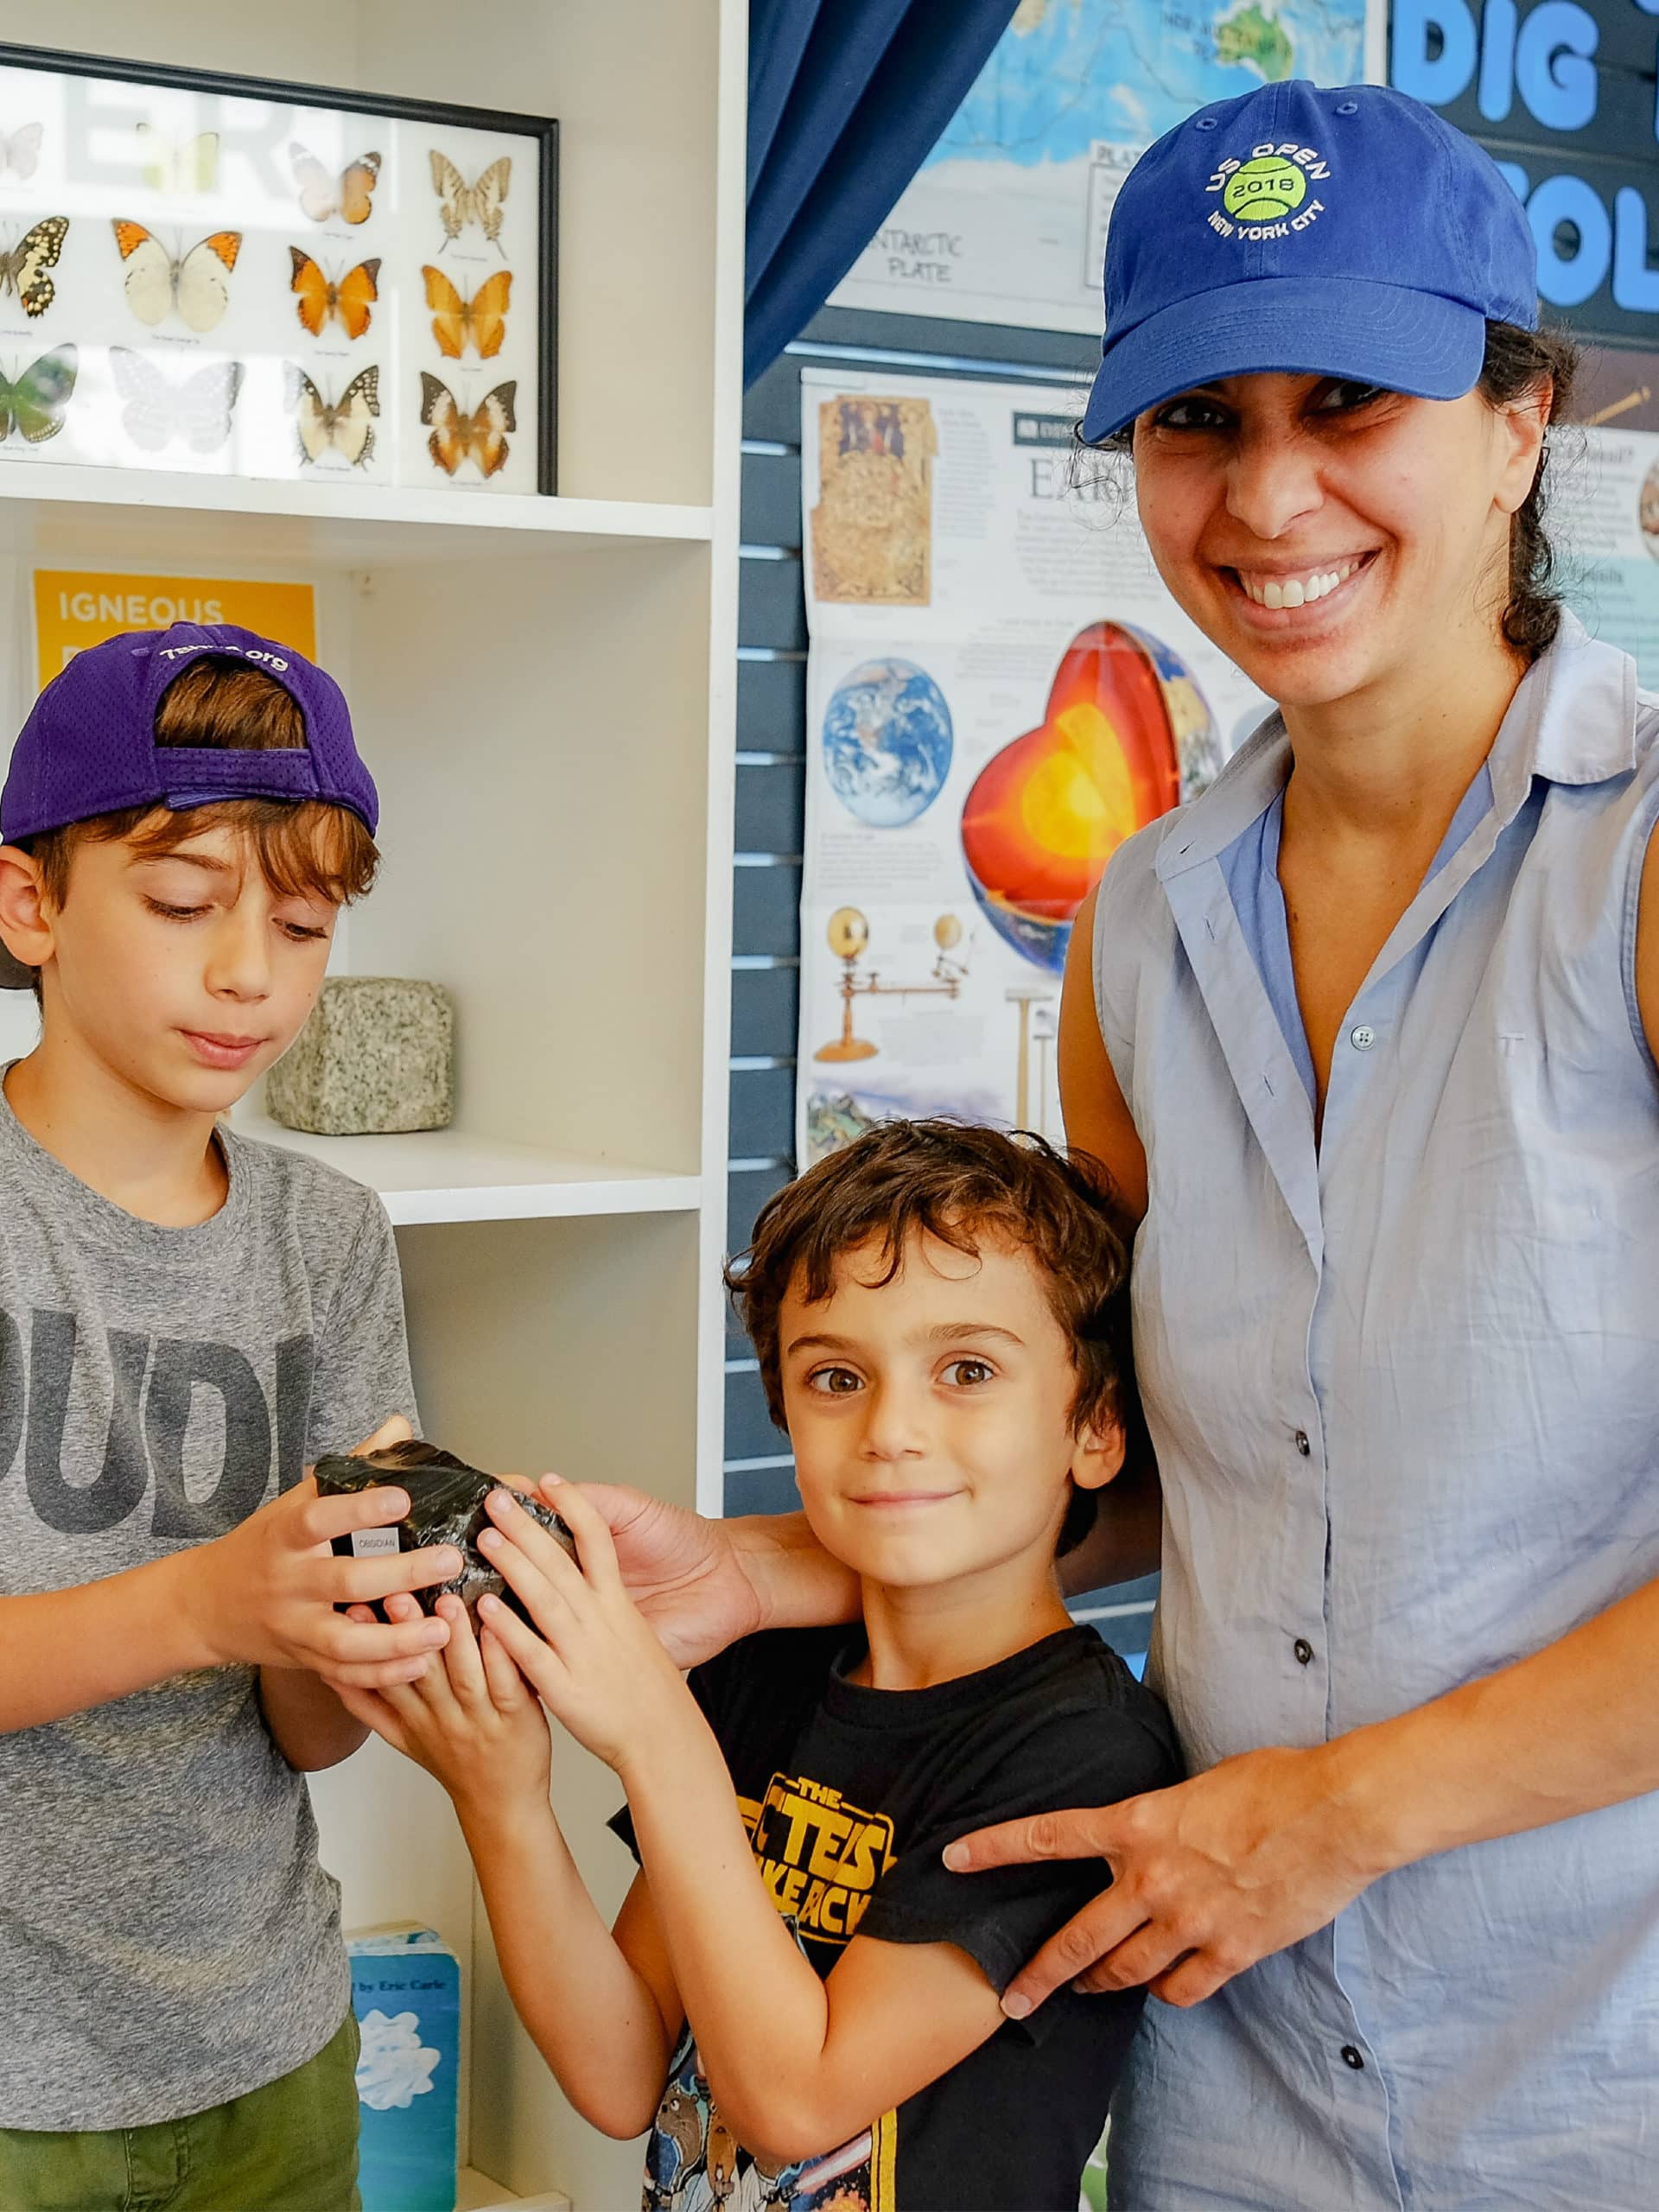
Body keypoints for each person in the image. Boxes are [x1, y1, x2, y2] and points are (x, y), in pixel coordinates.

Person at [563, 79, 1659, 2211]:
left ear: (1516, 423)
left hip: (1593, 2064)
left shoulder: (1631, 871)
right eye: (1194, 422)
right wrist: (767, 1567)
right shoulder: (1140, 927)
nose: (1269, 495)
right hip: (1218, 2053)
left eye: (1352, 402)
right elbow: (1135, 1456)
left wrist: (1341, 1804)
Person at [337, 1120, 1181, 2211]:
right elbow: (621, 2070)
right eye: (836, 1376)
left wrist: (653, 1732)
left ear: (1097, 1429)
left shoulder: (1080, 1754)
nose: (891, 1428)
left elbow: (795, 2101)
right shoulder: (764, 1672)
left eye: (966, 1369)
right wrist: (501, 1797)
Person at [0, 625, 473, 2212]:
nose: (248, 975)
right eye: (187, 903)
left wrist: (365, 1624)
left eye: (303, 921)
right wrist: (208, 1599)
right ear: (31, 903)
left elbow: (307, 1729)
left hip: (271, 2047)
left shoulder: (327, 1235)